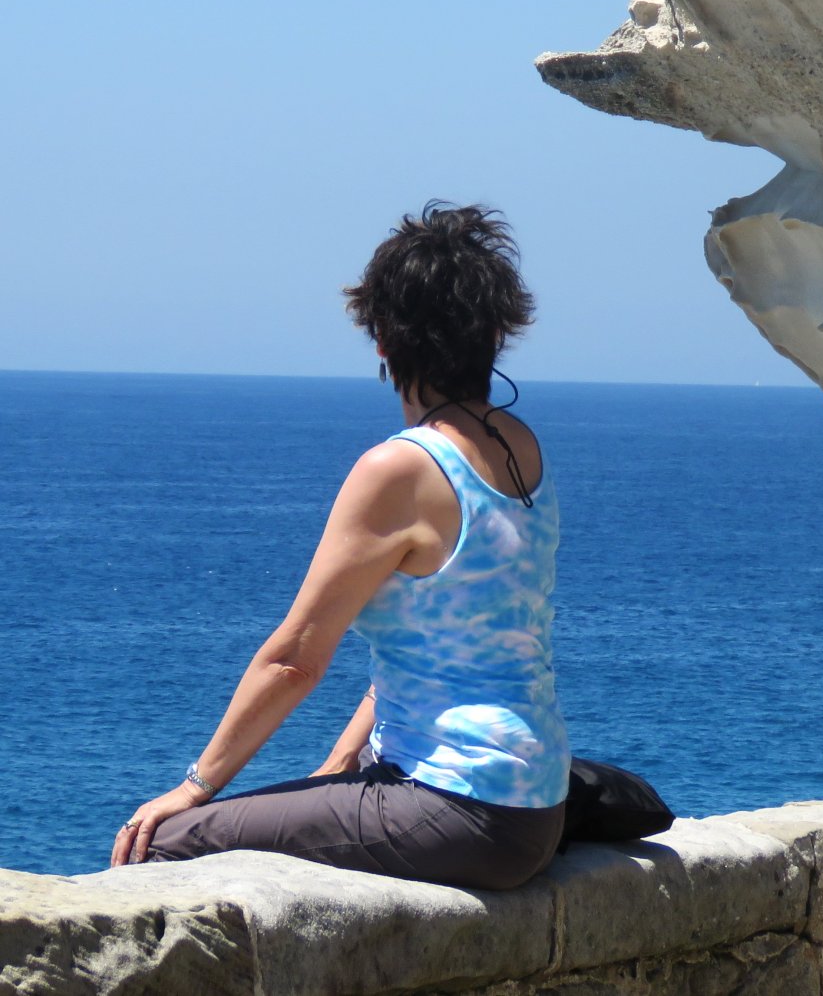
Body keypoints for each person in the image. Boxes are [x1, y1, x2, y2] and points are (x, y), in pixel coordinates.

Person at [111, 203, 570, 891]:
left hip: (457, 811)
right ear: (496, 333)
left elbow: (296, 659)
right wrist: (338, 765)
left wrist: (195, 786)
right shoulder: (521, 448)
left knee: (161, 844)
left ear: (384, 338)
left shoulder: (400, 469)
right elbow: (441, 642)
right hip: (534, 807)